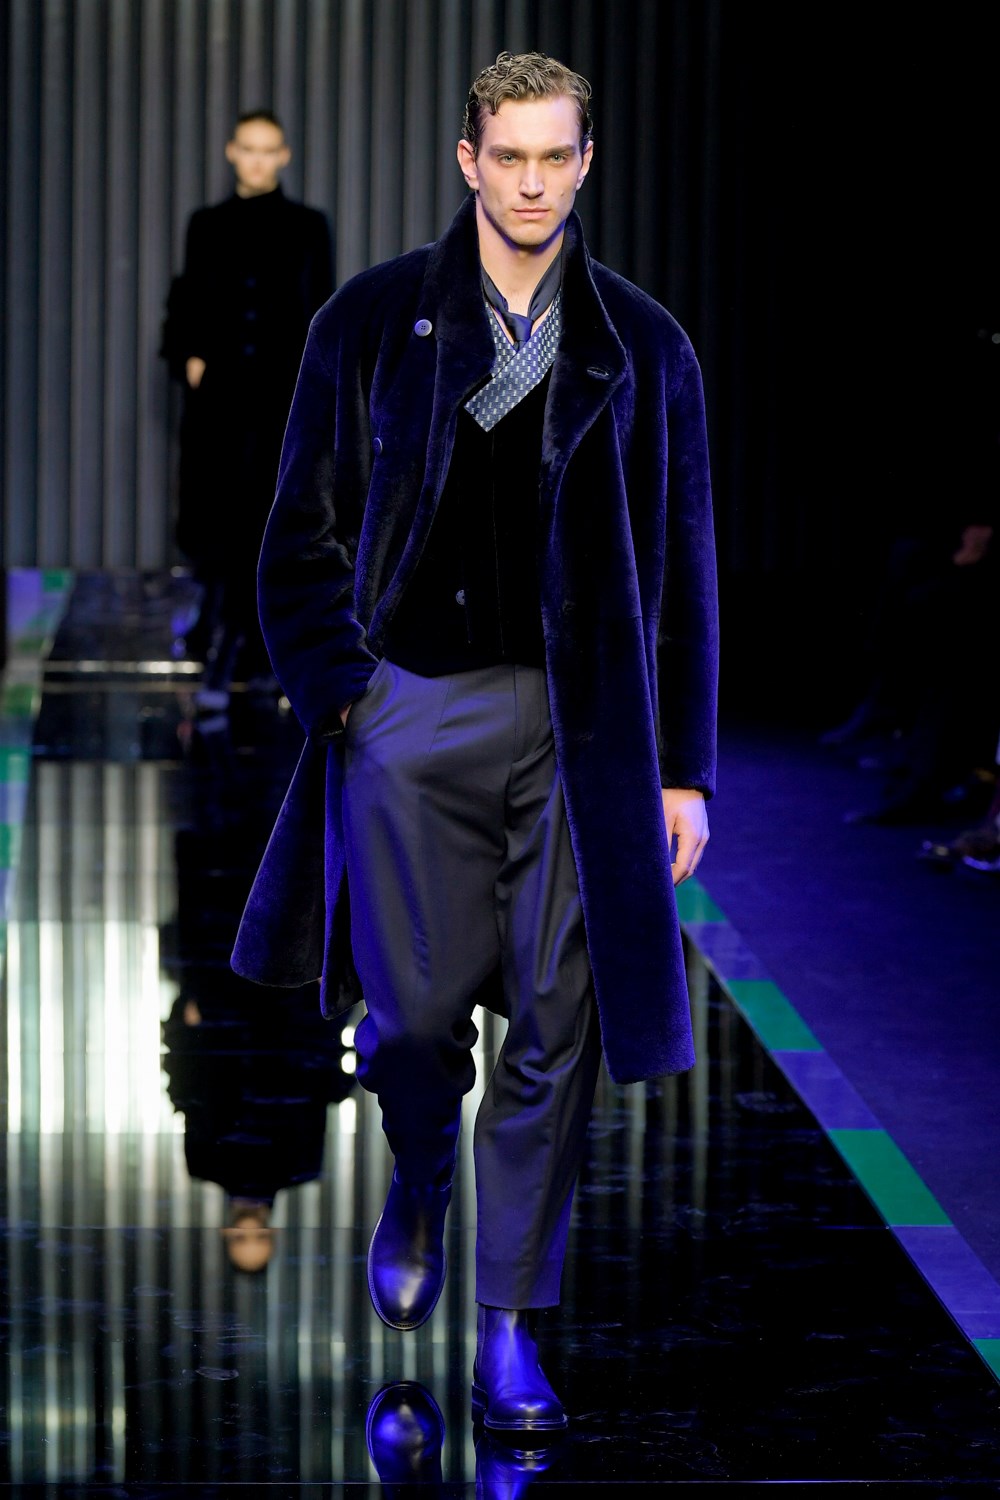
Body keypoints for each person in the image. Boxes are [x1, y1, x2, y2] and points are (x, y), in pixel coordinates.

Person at [232, 52, 718, 1440]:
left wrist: (683, 767)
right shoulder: (372, 320)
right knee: (413, 1020)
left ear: (585, 162)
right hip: (412, 715)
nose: (532, 183)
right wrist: (350, 698)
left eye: (556, 157)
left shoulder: (644, 346)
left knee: (559, 1026)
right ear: (467, 160)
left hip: (583, 734)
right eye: (509, 156)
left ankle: (508, 1325)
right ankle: (422, 1171)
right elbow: (296, 535)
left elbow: (683, 568)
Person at [161, 110, 333, 709]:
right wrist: (191, 359)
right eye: (249, 148)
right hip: (221, 401)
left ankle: (263, 650)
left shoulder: (307, 226)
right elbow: (188, 297)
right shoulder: (206, 224)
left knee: (274, 516)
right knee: (218, 515)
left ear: (283, 156)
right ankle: (223, 640)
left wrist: (316, 387)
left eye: (268, 150)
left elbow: (321, 307)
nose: (258, 160)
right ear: (233, 152)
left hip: (282, 397)